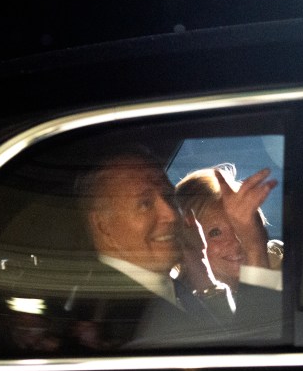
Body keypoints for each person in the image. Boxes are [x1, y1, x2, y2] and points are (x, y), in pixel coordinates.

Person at [73, 146, 282, 349]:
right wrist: (255, 249)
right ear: (103, 226)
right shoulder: (114, 319)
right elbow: (249, 363)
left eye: (168, 197)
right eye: (145, 203)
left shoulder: (164, 290)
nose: (172, 215)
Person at [174, 163, 283, 296]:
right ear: (186, 240)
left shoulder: (283, 263)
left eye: (240, 226)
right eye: (215, 232)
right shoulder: (178, 298)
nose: (236, 241)